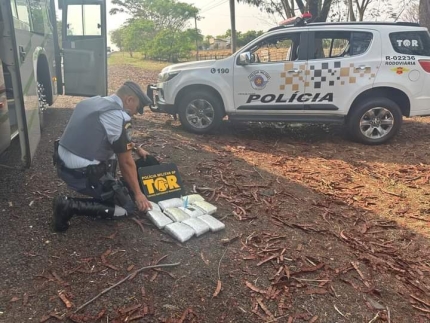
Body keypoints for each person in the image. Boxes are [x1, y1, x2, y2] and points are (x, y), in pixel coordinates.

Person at [52, 81, 160, 232]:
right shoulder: (119, 116)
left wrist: (137, 148)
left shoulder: (92, 102)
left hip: (62, 164)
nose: (136, 112)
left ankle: (108, 184)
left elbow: (112, 136)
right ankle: (68, 205)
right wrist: (138, 194)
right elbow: (126, 162)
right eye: (138, 108)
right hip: (80, 175)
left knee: (113, 152)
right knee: (126, 208)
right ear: (129, 100)